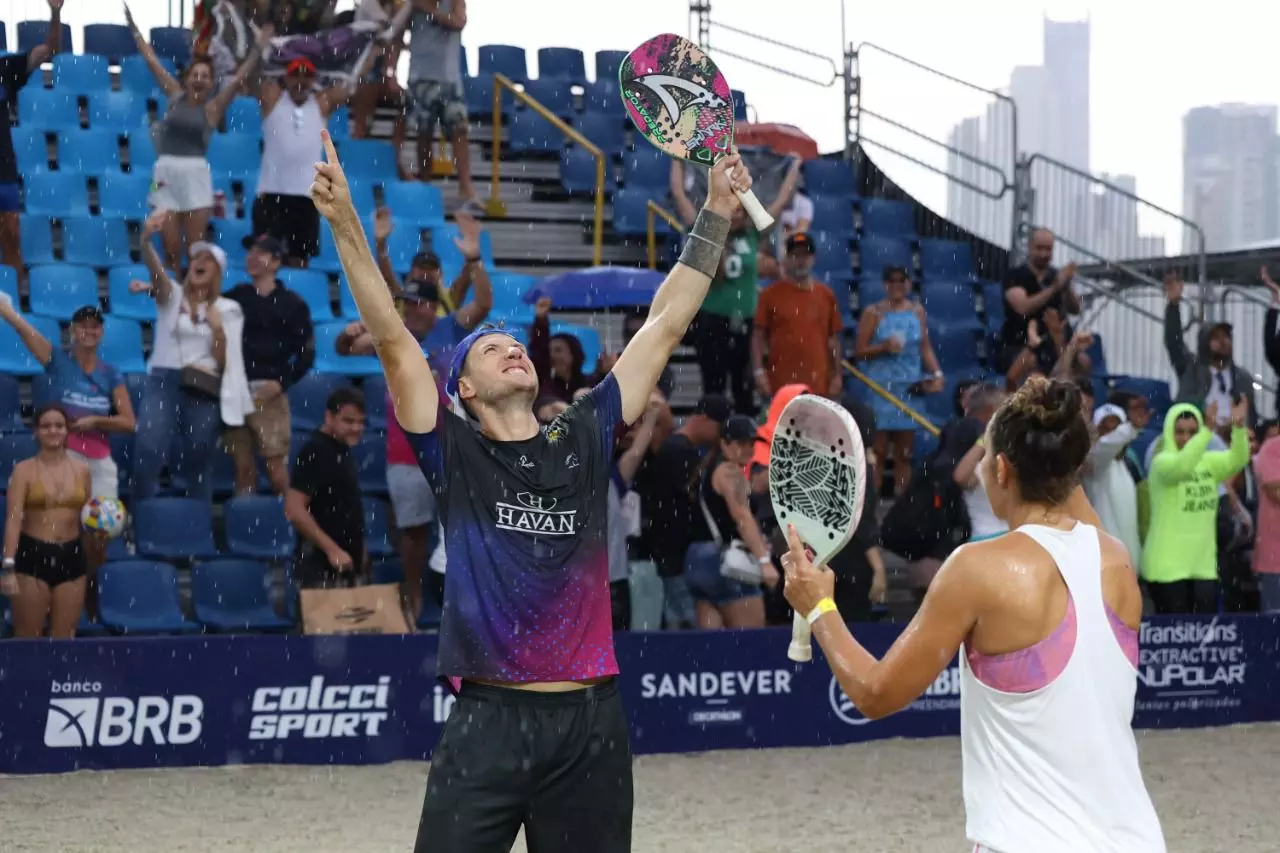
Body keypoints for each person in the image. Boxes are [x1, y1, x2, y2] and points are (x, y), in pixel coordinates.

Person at [310, 127, 752, 852]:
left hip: (591, 726)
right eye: (490, 347)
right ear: (465, 388)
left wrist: (713, 210)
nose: (513, 346)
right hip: (487, 723)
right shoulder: (452, 449)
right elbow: (392, 337)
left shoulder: (581, 430)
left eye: (514, 341)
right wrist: (347, 225)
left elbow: (666, 323)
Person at [780, 376, 1166, 853]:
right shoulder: (1117, 561)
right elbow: (1067, 490)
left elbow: (875, 694)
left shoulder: (979, 568)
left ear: (1002, 470)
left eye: (985, 458)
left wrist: (818, 605)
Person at [338, 216, 491, 618]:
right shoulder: (392, 335)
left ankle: (456, 605)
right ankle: (413, 597)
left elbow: (484, 304)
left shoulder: (451, 327)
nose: (410, 307)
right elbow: (346, 349)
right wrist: (349, 331)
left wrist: (475, 259)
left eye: (416, 302)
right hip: (404, 453)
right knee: (412, 534)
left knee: (460, 531)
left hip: (450, 449)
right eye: (405, 302)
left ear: (431, 304)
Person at [125, 4, 269, 268]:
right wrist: (134, 29)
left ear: (211, 83)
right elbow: (152, 61)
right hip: (163, 175)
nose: (199, 79)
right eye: (195, 74)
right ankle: (173, 300)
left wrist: (258, 48)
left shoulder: (213, 109)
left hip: (197, 177)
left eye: (205, 76)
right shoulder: (174, 95)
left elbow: (237, 80)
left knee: (194, 248)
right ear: (187, 78)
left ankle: (194, 303)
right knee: (169, 247)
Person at [130, 214, 251, 501]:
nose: (199, 262)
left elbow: (225, 361)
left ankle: (199, 526)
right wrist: (146, 242)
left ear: (218, 271)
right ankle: (141, 520)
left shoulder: (230, 308)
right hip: (164, 378)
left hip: (203, 385)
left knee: (199, 460)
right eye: (197, 258)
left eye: (208, 260)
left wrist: (217, 327)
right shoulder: (172, 295)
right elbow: (158, 274)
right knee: (148, 451)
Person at [674, 157, 798, 415]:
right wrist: (678, 161)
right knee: (713, 387)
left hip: (745, 321)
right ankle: (715, 442)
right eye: (734, 208)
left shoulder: (753, 234)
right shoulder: (708, 230)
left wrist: (795, 165)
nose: (737, 214)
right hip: (712, 321)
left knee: (744, 387)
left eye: (742, 209)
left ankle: (741, 443)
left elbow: (782, 200)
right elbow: (679, 196)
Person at [223, 235, 316, 495]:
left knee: (277, 473)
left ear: (276, 262)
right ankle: (251, 526)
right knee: (242, 470)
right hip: (235, 391)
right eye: (250, 251)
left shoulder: (293, 304)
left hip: (269, 393)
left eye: (260, 252)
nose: (252, 257)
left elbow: (306, 353)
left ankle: (294, 529)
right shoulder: (236, 297)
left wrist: (280, 384)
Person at [632, 394, 732, 630]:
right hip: (675, 557)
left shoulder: (682, 448)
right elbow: (695, 496)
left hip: (678, 555)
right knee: (686, 628)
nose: (721, 436)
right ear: (704, 419)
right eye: (720, 428)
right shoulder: (677, 450)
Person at [1142, 398, 1249, 614]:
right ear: (1168, 433)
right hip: (1167, 567)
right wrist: (1206, 432)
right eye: (1180, 432)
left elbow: (1238, 459)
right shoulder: (1161, 463)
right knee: (1175, 641)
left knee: (1201, 641)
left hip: (1203, 567)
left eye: (1192, 431)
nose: (1187, 438)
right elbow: (1182, 468)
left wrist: (1238, 428)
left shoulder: (1208, 462)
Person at [254, 56, 360, 267]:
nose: (300, 81)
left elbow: (350, 81)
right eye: (295, 75)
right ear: (286, 77)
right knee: (265, 259)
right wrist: (262, 49)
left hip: (305, 196)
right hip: (271, 193)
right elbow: (255, 76)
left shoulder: (320, 103)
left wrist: (371, 46)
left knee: (300, 261)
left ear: (313, 80)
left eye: (307, 76)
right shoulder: (273, 99)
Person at [1, 405, 91, 639]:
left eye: (59, 426)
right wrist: (8, 565)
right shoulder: (23, 470)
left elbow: (87, 517)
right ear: (36, 432)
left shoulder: (83, 470)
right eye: (46, 426)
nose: (53, 430)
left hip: (71, 555)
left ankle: (60, 678)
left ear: (67, 430)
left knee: (65, 637)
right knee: (28, 636)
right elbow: (13, 520)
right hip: (33, 555)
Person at [853, 265, 943, 496]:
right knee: (878, 452)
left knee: (904, 454)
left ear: (908, 283)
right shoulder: (873, 313)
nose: (897, 286)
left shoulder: (917, 312)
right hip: (881, 389)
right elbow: (860, 351)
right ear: (884, 284)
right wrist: (883, 347)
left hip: (909, 387)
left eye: (901, 280)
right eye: (892, 281)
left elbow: (925, 346)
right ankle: (871, 504)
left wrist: (937, 373)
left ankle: (903, 504)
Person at [684, 414, 779, 629]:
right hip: (725, 562)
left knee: (713, 652)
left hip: (697, 561)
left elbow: (742, 493)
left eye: (752, 442)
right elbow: (741, 516)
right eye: (741, 443)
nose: (748, 448)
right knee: (748, 645)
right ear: (724, 443)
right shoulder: (729, 472)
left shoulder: (709, 468)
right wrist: (764, 562)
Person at [0, 0, 61, 281]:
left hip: (4, 171)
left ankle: (14, 312)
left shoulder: (5, 68)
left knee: (12, 237)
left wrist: (56, 12)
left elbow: (49, 50)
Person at [285, 387, 367, 589]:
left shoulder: (342, 447)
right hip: (319, 567)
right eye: (348, 421)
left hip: (345, 565)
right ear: (329, 417)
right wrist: (332, 550)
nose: (356, 428)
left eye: (360, 422)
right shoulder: (315, 451)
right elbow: (294, 510)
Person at [404, 0, 481, 212]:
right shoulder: (411, 4)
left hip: (448, 78)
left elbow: (458, 21)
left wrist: (429, 10)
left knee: (459, 130)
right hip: (420, 76)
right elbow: (396, 30)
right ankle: (425, 186)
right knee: (424, 134)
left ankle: (466, 188)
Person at [751, 232, 844, 399]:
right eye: (795, 255)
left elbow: (833, 340)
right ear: (787, 258)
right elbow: (758, 337)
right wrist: (759, 371)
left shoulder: (826, 295)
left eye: (805, 255)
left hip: (818, 384)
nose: (801, 260)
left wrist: (837, 375)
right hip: (781, 383)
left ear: (813, 258)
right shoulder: (770, 295)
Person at [1163, 272, 1256, 428]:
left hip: (1234, 438)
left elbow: (1251, 418)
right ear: (1204, 343)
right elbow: (1174, 342)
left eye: (1226, 336)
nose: (1223, 341)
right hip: (1199, 435)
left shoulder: (1242, 378)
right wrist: (1173, 306)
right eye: (1216, 337)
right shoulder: (1191, 369)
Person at [995, 228, 1081, 373]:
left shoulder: (1056, 276)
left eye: (1048, 249)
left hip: (1054, 344)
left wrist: (1066, 286)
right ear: (1029, 247)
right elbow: (1023, 307)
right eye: (1039, 248)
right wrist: (1054, 288)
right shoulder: (1015, 276)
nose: (1043, 254)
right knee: (1030, 363)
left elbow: (1076, 309)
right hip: (1019, 344)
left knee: (1083, 362)